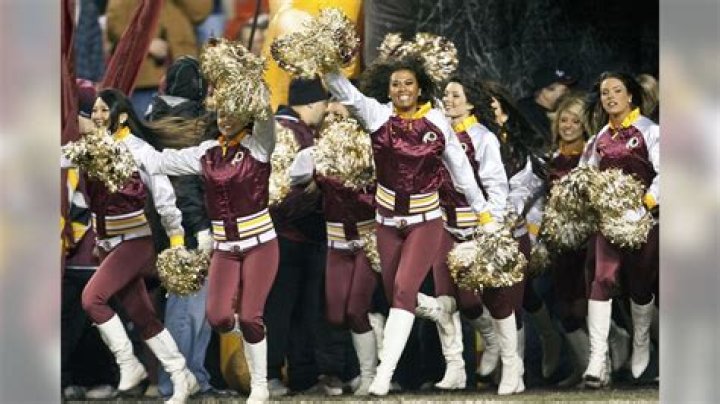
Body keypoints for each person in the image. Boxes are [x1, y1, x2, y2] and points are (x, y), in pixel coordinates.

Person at [324, 55, 499, 396]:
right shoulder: (378, 115)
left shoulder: (437, 122)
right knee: (396, 296)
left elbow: (462, 171)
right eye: (395, 84)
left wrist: (485, 214)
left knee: (404, 292)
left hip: (425, 221)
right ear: (388, 89)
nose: (402, 89)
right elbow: (345, 93)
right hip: (387, 222)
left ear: (420, 88)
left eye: (408, 83)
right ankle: (442, 310)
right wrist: (325, 63)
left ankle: (382, 376)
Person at [140, 71, 278, 403]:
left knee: (250, 316)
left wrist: (253, 86)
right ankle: (250, 336)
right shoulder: (207, 151)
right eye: (221, 114)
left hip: (260, 243)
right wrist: (120, 144)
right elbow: (162, 162)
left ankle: (260, 384)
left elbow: (266, 120)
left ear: (244, 114)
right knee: (218, 317)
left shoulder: (258, 146)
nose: (225, 120)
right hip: (225, 247)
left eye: (232, 113)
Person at [61, 88, 200, 404]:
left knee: (92, 299)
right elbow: (60, 157)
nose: (97, 115)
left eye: (104, 110)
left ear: (122, 116)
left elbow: (164, 197)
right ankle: (182, 375)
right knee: (143, 317)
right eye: (94, 110)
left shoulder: (139, 150)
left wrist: (176, 239)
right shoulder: (91, 148)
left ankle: (129, 364)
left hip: (136, 240)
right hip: (109, 245)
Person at [145, 56, 235, 399]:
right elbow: (185, 187)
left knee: (196, 308)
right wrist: (200, 228)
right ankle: (178, 381)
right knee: (187, 309)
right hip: (187, 229)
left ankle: (194, 378)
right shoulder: (189, 124)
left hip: (169, 227)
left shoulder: (155, 119)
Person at [414, 74, 511, 392]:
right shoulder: (435, 134)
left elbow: (497, 185)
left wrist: (491, 226)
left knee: (470, 303)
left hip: (475, 228)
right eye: (446, 95)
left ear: (471, 103)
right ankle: (454, 367)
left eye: (456, 95)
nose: (449, 100)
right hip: (442, 225)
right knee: (443, 300)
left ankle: (492, 340)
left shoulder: (483, 137)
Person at [287, 101, 380, 395]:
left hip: (367, 241)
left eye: (339, 114)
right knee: (336, 314)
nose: (331, 119)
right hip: (336, 242)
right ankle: (367, 357)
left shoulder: (372, 147)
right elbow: (288, 179)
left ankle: (370, 376)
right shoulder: (314, 153)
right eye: (328, 114)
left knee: (356, 310)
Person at [478, 80, 564, 385]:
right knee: (515, 294)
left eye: (492, 105)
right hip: (482, 227)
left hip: (517, 225)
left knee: (511, 297)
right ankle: (547, 336)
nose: (488, 111)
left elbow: (530, 185)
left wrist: (512, 215)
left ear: (503, 108)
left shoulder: (520, 139)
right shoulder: (474, 137)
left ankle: (514, 371)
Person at [580, 71, 659, 388]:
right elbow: (586, 174)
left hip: (644, 221)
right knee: (602, 280)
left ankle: (641, 342)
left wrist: (647, 202)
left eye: (616, 91)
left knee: (640, 286)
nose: (610, 97)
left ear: (630, 96)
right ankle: (597, 359)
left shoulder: (650, 131)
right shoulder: (599, 138)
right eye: (604, 92)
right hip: (608, 223)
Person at [264, 77, 337, 396]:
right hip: (286, 234)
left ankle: (303, 376)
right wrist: (314, 190)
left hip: (302, 236)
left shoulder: (299, 129)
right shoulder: (285, 130)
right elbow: (277, 191)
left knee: (302, 310)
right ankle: (270, 373)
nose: (326, 109)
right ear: (310, 103)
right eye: (323, 103)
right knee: (280, 308)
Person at [517, 64, 577, 147]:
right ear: (547, 90)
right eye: (565, 90)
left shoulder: (563, 112)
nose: (569, 94)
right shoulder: (526, 116)